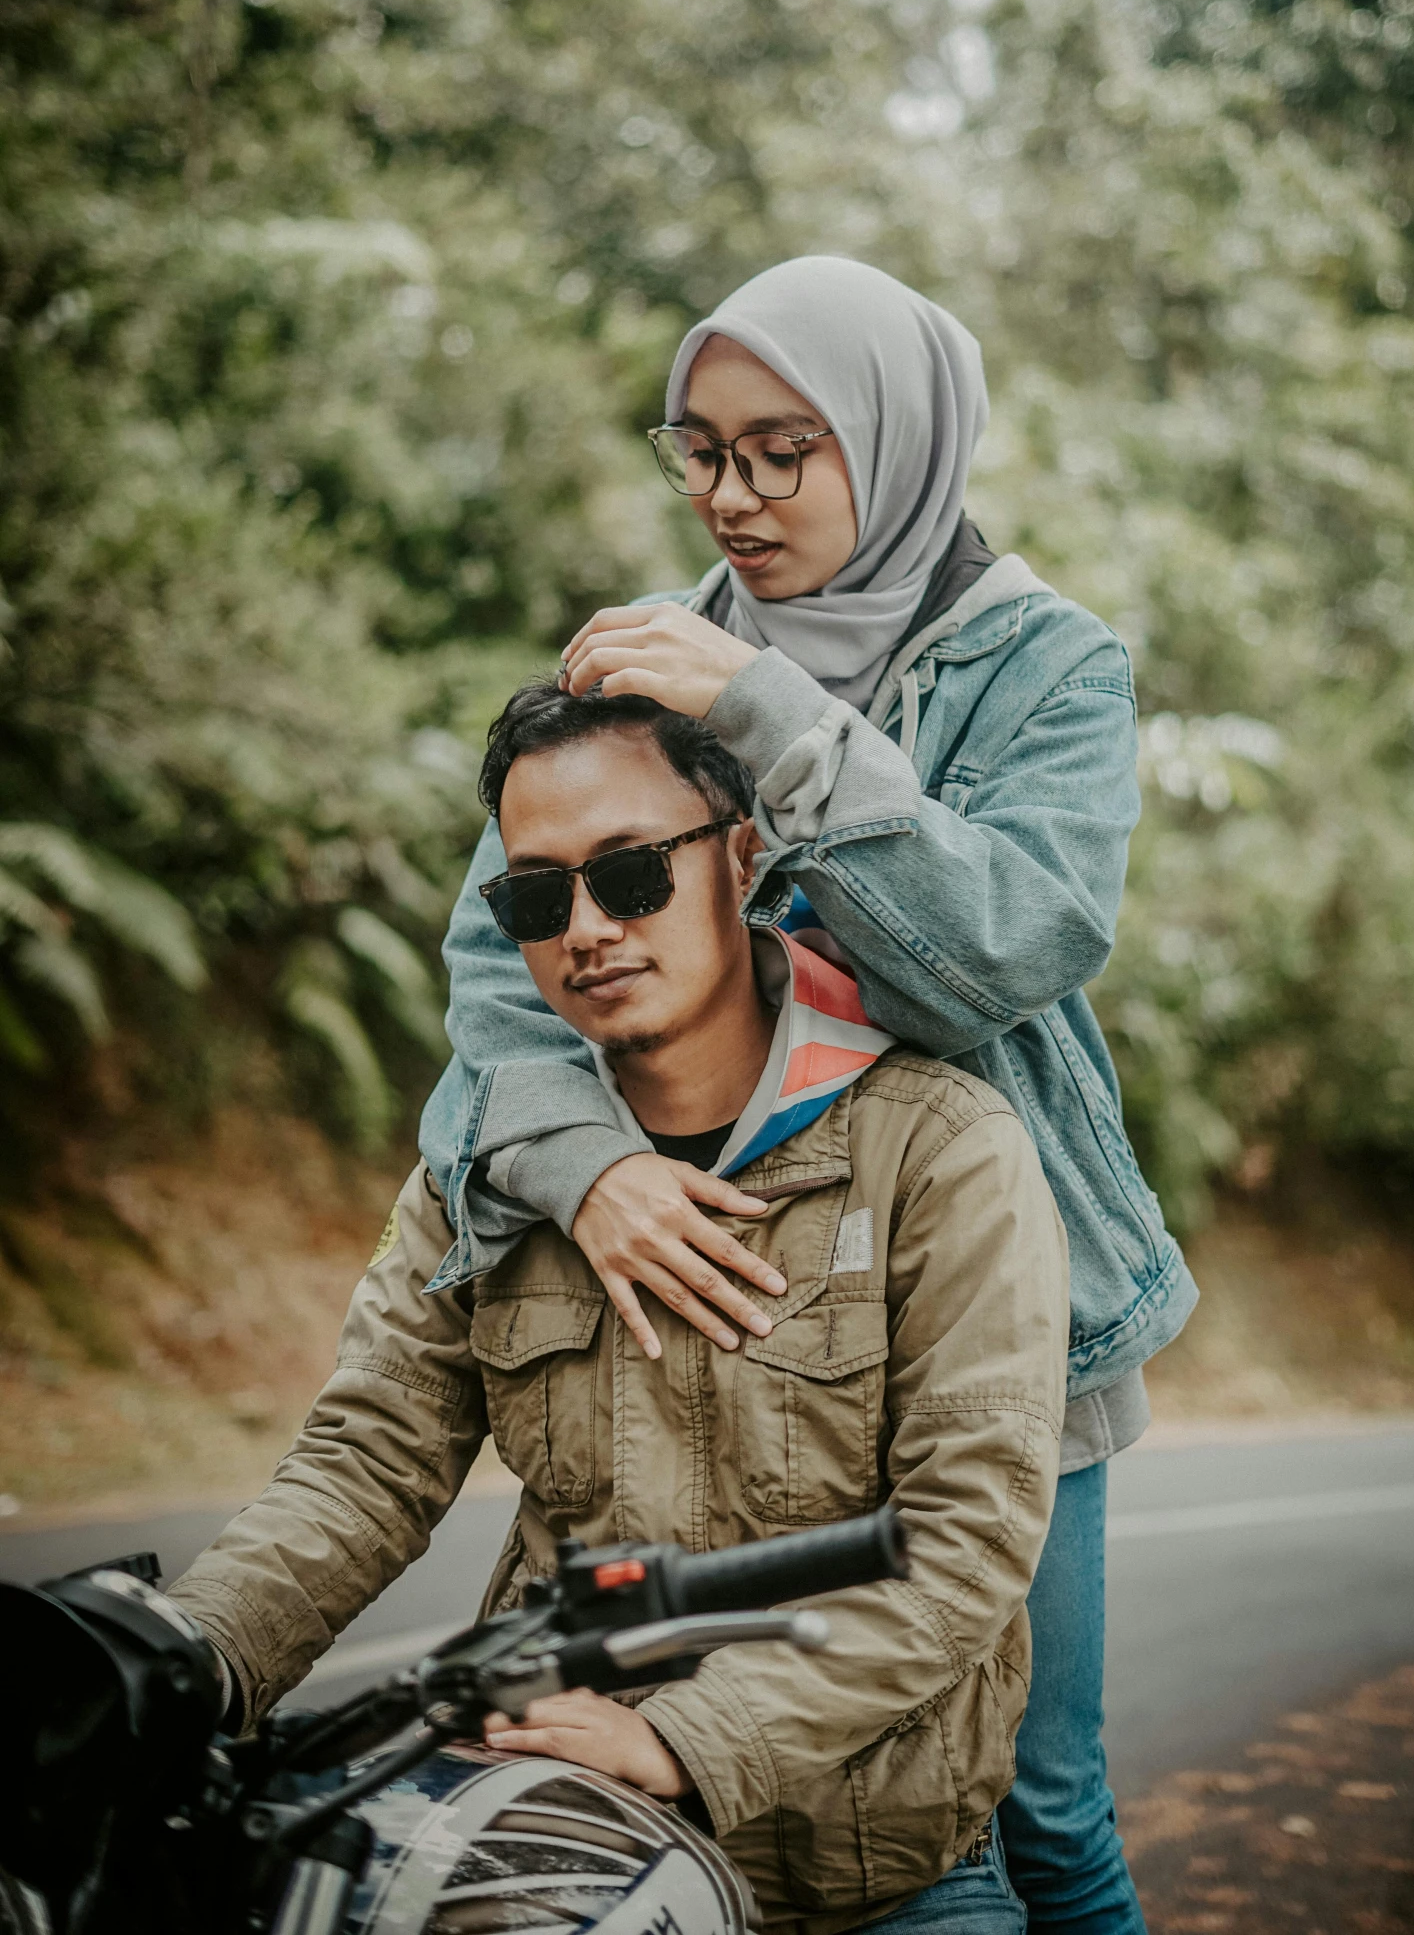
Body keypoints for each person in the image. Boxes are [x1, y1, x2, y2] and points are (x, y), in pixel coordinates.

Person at [422, 256, 1197, 1934]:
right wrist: (579, 1166)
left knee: (1032, 1806)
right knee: (706, 1795)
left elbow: (1007, 949)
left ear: (893, 439)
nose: (732, 495)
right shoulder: (643, 655)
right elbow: (505, 955)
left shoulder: (1043, 668)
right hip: (725, 1289)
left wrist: (778, 721)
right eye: (698, 448)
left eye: (784, 449)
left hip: (982, 1287)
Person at [169, 683, 1069, 1935]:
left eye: (631, 873)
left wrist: (686, 1740)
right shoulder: (485, 1176)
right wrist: (183, 1657)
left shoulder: (938, 1150)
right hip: (550, 1863)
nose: (586, 928)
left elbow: (964, 1535)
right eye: (538, 896)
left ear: (742, 857)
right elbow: (365, 1465)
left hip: (877, 1883)